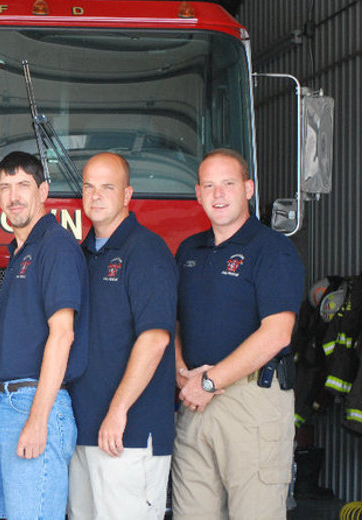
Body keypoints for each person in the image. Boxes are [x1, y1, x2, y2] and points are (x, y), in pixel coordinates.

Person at [172, 148, 304, 519]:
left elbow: (277, 333)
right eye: (209, 186)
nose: (218, 194)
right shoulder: (188, 250)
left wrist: (210, 382)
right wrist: (181, 372)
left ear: (248, 188)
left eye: (228, 184)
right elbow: (175, 323)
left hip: (251, 402)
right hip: (194, 402)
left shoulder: (273, 250)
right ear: (198, 193)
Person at [67, 153, 177, 520]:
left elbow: (155, 338)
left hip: (128, 433)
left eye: (107, 187)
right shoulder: (82, 255)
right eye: (89, 187)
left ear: (127, 194)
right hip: (83, 431)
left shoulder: (145, 251)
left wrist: (118, 410)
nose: (95, 196)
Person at [0, 151, 88, 520]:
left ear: (43, 191)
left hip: (34, 405)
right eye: (5, 188)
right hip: (7, 407)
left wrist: (38, 419)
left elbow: (62, 335)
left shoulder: (55, 246)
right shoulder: (21, 251)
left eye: (23, 185)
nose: (14, 196)